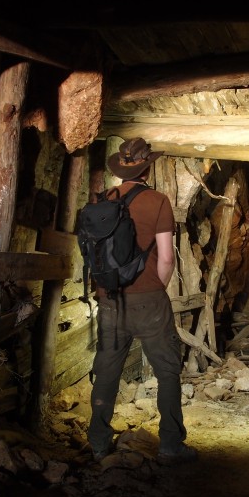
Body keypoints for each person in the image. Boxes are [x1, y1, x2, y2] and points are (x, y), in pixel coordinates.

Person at [86, 137, 197, 466]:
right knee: (167, 372)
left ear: (122, 170)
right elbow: (166, 258)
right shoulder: (158, 201)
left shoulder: (102, 202)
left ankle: (98, 442)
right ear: (148, 168)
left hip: (110, 300)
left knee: (106, 373)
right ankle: (171, 444)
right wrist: (154, 287)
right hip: (149, 300)